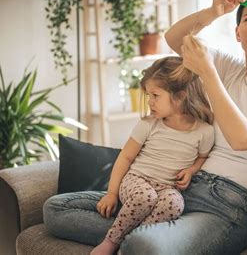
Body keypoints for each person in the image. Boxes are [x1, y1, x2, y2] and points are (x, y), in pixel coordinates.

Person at [44, 0, 247, 254]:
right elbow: (174, 38)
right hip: (177, 191)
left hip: (225, 207)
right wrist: (213, 12)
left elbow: (243, 138)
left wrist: (208, 72)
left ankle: (129, 236)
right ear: (238, 33)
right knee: (56, 209)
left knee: (141, 245)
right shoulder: (230, 68)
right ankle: (135, 231)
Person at [89, 56, 214, 255]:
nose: (150, 102)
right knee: (145, 196)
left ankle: (131, 242)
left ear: (180, 97)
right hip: (137, 179)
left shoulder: (204, 131)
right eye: (149, 95)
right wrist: (111, 193)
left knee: (175, 204)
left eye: (155, 95)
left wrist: (191, 170)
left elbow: (202, 157)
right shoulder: (149, 124)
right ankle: (111, 241)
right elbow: (125, 158)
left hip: (167, 187)